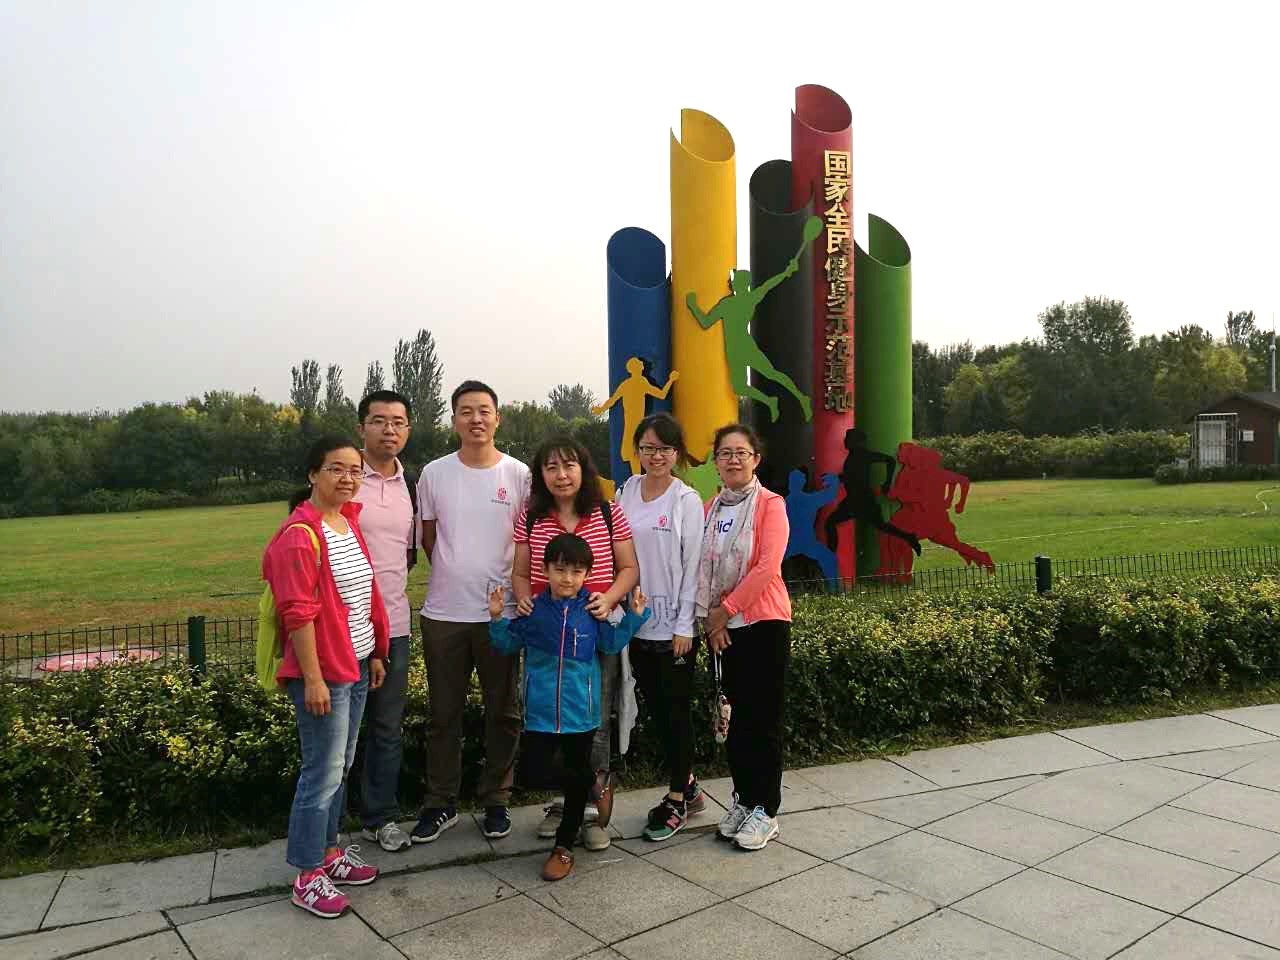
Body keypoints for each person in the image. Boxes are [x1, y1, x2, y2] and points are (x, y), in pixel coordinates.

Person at [262, 435, 390, 919]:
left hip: (354, 664)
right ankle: (307, 873)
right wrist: (313, 679)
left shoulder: (346, 522)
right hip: (324, 672)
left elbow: (363, 596)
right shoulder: (300, 535)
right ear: (313, 474)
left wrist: (374, 653)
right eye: (336, 469)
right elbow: (297, 614)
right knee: (320, 772)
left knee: (342, 763)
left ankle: (330, 851)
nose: (347, 478)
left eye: (355, 470)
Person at [489, 533, 649, 881]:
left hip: (581, 713)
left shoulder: (591, 610)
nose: (567, 578)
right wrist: (498, 619)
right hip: (541, 713)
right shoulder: (534, 610)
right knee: (535, 771)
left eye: (576, 572)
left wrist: (634, 618)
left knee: (574, 778)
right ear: (545, 570)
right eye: (560, 570)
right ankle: (595, 782)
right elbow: (506, 644)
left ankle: (563, 846)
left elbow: (611, 643)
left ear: (587, 574)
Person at [413, 381, 529, 843]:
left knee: (503, 712)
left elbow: (527, 540)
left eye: (484, 410)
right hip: (445, 613)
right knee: (444, 716)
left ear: (498, 418)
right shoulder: (434, 474)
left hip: (501, 616)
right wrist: (455, 570)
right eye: (466, 411)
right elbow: (428, 537)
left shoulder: (519, 475)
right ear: (454, 420)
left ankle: (496, 799)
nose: (475, 419)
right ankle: (440, 802)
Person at [512, 436, 638, 851]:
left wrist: (610, 598)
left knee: (594, 720)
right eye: (551, 467)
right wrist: (524, 599)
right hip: (547, 634)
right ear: (540, 475)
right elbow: (521, 573)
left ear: (583, 469)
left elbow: (629, 568)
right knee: (551, 720)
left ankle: (591, 812)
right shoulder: (531, 516)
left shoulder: (607, 511)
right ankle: (562, 803)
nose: (561, 475)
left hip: (594, 630)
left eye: (569, 466)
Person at [614, 413, 708, 842]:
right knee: (655, 711)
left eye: (665, 449)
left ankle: (676, 800)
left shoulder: (685, 500)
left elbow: (693, 567)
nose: (656, 456)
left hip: (674, 629)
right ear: (637, 450)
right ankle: (689, 785)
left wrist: (685, 625)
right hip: (636, 623)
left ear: (677, 453)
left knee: (676, 714)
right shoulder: (626, 491)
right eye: (648, 448)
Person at [698, 423, 792, 851]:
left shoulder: (770, 505)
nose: (733, 459)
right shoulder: (709, 509)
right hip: (723, 631)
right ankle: (744, 799)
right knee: (733, 719)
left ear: (756, 459)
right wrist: (713, 621)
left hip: (763, 624)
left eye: (741, 452)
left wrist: (724, 612)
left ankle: (765, 810)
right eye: (725, 453)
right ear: (715, 462)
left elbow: (767, 566)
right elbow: (700, 567)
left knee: (762, 719)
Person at [350, 390, 417, 853]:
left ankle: (380, 817)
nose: (388, 429)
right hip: (342, 629)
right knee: (340, 731)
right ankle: (327, 830)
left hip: (393, 626)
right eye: (378, 421)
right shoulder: (346, 476)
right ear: (362, 427)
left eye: (397, 422)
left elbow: (407, 555)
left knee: (387, 727)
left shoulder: (410, 483)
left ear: (407, 429)